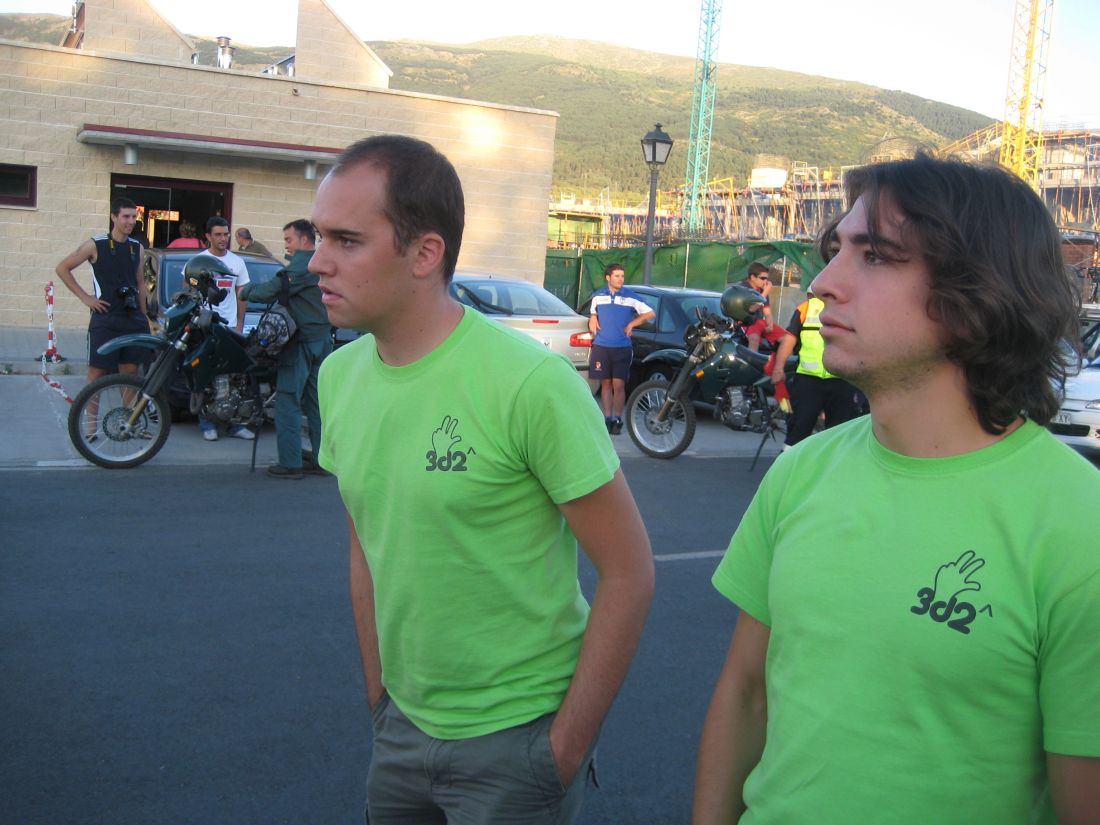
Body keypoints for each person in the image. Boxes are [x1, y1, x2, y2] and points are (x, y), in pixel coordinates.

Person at [693, 154, 1100, 825]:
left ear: (976, 294)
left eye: (876, 255)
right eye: (837, 250)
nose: (824, 282)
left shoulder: (1079, 525)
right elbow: (745, 694)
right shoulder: (800, 473)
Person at [312, 134, 654, 824]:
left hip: (519, 741)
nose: (316, 260)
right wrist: (380, 697)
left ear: (424, 253)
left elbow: (630, 572)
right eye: (319, 236)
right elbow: (365, 543)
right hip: (400, 729)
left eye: (346, 240)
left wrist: (563, 747)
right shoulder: (338, 376)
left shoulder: (531, 383)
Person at [240, 219, 331, 479]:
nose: (286, 246)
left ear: (304, 240)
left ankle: (291, 464)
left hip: (301, 343)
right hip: (323, 340)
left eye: (289, 240)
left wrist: (245, 290)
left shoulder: (301, 266)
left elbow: (269, 291)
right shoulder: (325, 262)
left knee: (288, 401)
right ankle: (321, 459)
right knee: (317, 403)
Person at [55, 197, 152, 391]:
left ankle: (127, 412)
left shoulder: (137, 247)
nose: (131, 221)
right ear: (114, 217)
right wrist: (86, 298)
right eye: (126, 216)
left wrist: (143, 315)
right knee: (97, 374)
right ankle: (89, 413)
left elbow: (140, 283)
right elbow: (63, 268)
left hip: (132, 318)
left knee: (130, 373)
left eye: (134, 217)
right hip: (105, 318)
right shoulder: (95, 244)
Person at [768, 291, 860, 447]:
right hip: (808, 380)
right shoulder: (806, 308)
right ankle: (790, 459)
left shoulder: (853, 308)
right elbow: (790, 338)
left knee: (839, 433)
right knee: (799, 429)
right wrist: (779, 368)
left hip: (841, 379)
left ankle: (832, 462)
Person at [195, 216, 253, 441]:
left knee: (234, 378)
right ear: (208, 236)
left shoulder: (237, 262)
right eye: (218, 234)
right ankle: (207, 424)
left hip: (229, 328)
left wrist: (240, 324)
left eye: (226, 234)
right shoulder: (199, 261)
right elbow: (189, 291)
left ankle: (235, 425)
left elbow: (242, 294)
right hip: (205, 327)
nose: (223, 238)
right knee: (206, 377)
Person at [588, 262, 655, 434]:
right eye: (617, 276)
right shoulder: (598, 295)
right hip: (602, 346)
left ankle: (618, 418)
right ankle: (607, 418)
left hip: (622, 347)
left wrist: (633, 323)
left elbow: (650, 313)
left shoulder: (631, 296)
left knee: (618, 384)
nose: (620, 279)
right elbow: (593, 312)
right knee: (605, 383)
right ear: (608, 278)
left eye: (622, 276)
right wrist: (593, 317)